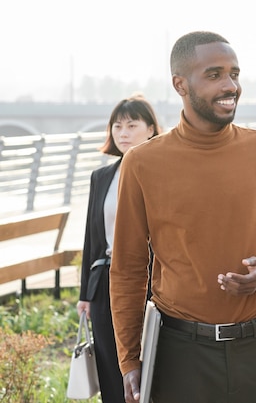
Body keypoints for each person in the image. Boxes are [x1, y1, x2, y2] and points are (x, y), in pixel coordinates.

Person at [109, 31, 256, 403]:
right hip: (179, 357)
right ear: (180, 84)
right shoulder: (142, 163)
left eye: (235, 74)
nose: (231, 85)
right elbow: (128, 268)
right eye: (215, 74)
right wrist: (129, 360)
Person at [77, 94, 161, 403]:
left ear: (151, 129)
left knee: (151, 365)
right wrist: (85, 294)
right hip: (105, 285)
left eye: (132, 125)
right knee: (112, 369)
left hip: (151, 284)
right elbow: (92, 238)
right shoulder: (102, 177)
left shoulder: (161, 173)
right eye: (117, 126)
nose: (122, 133)